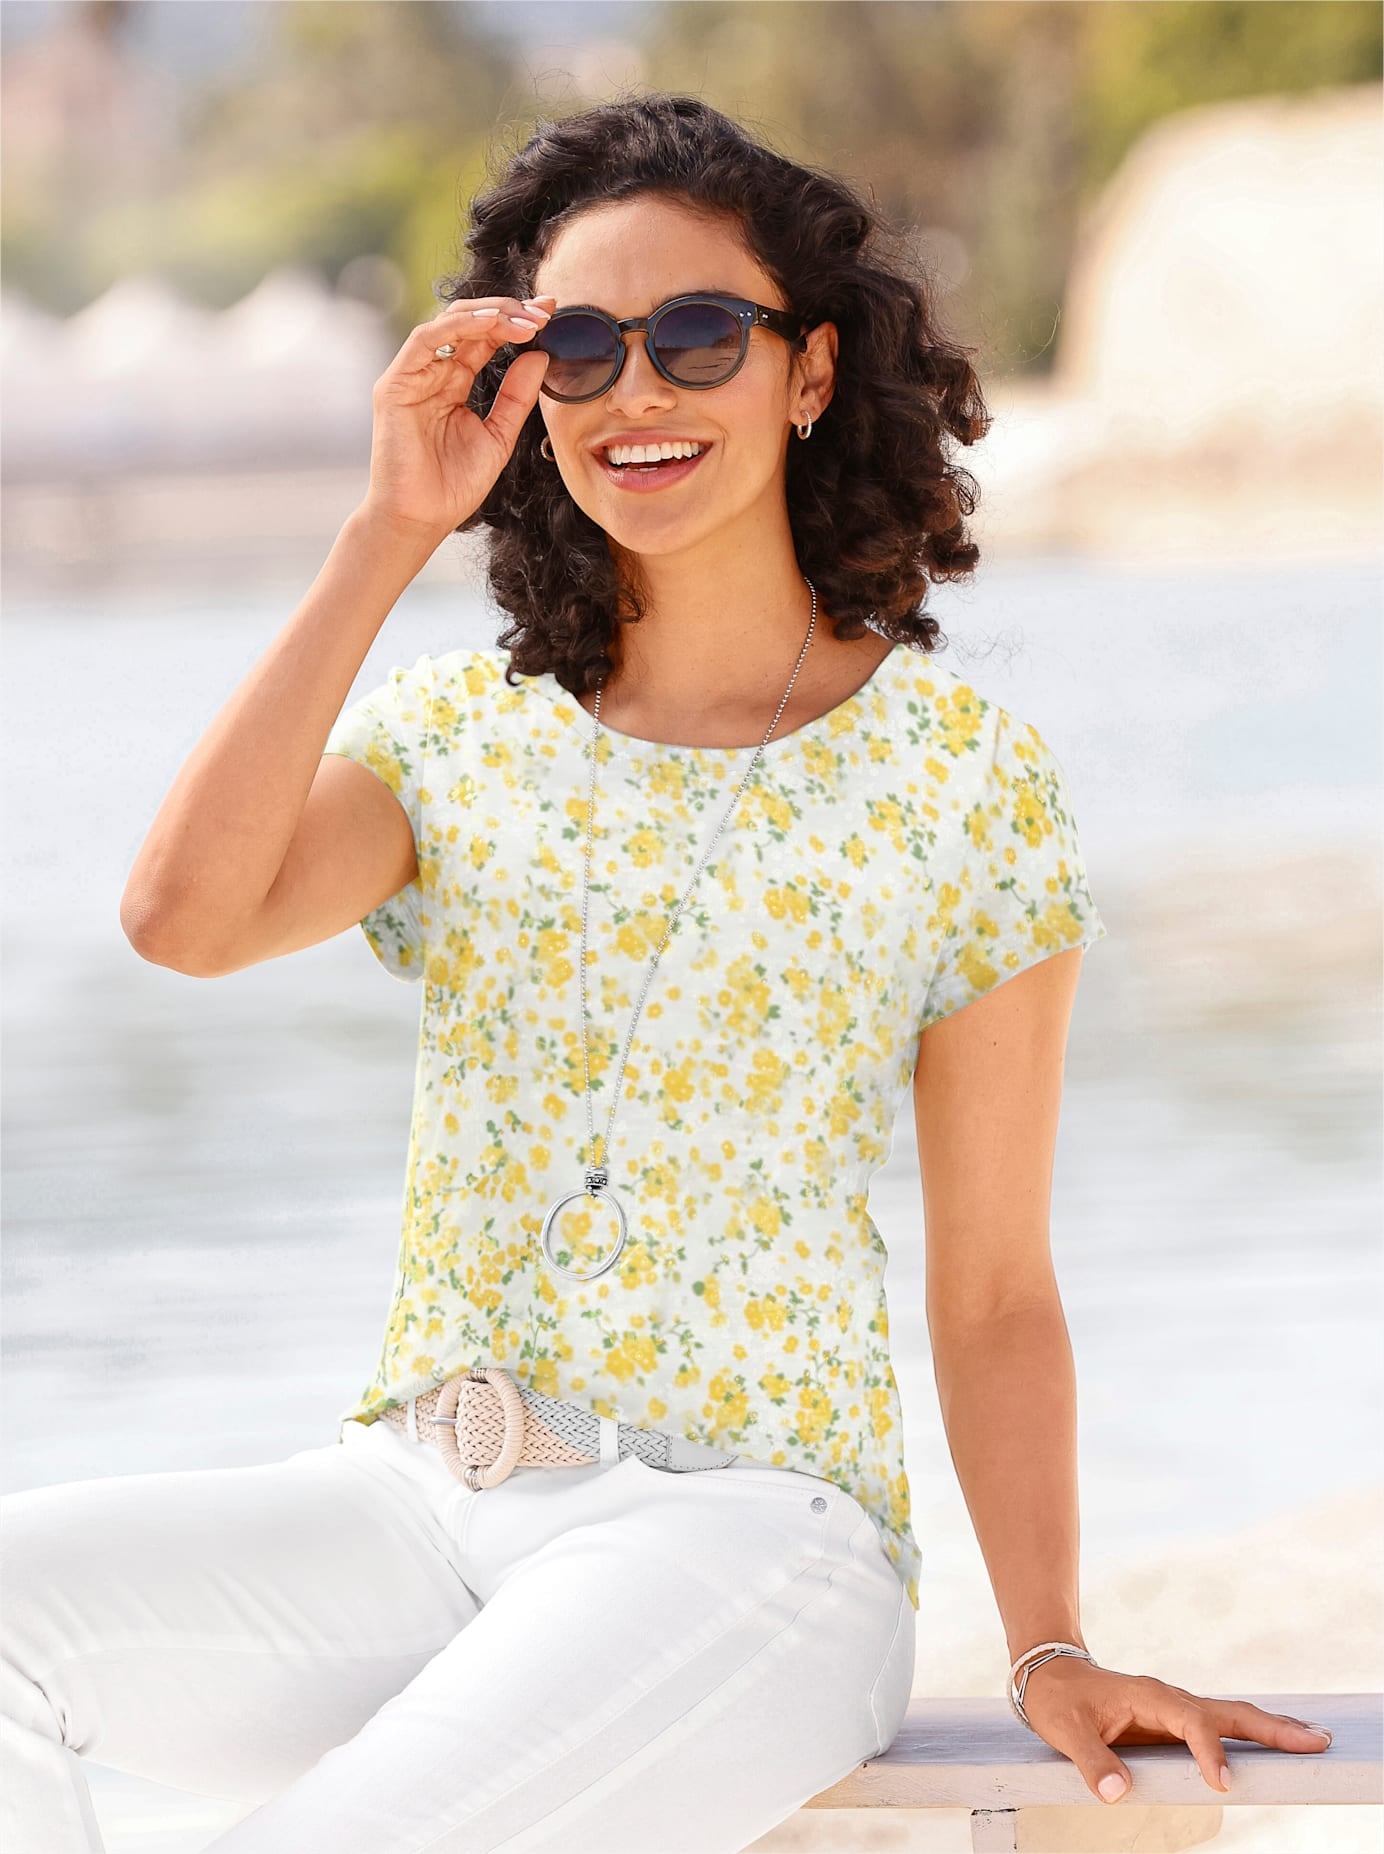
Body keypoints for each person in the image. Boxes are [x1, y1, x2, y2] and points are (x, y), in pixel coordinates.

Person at [0, 92, 1332, 1854]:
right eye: (578, 348)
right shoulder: (460, 739)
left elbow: (998, 1285)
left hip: (752, 1544)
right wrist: (389, 529)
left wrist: (1050, 1641)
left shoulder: (961, 780)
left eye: (697, 336)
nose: (637, 391)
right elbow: (183, 918)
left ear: (807, 371)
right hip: (416, 1501)